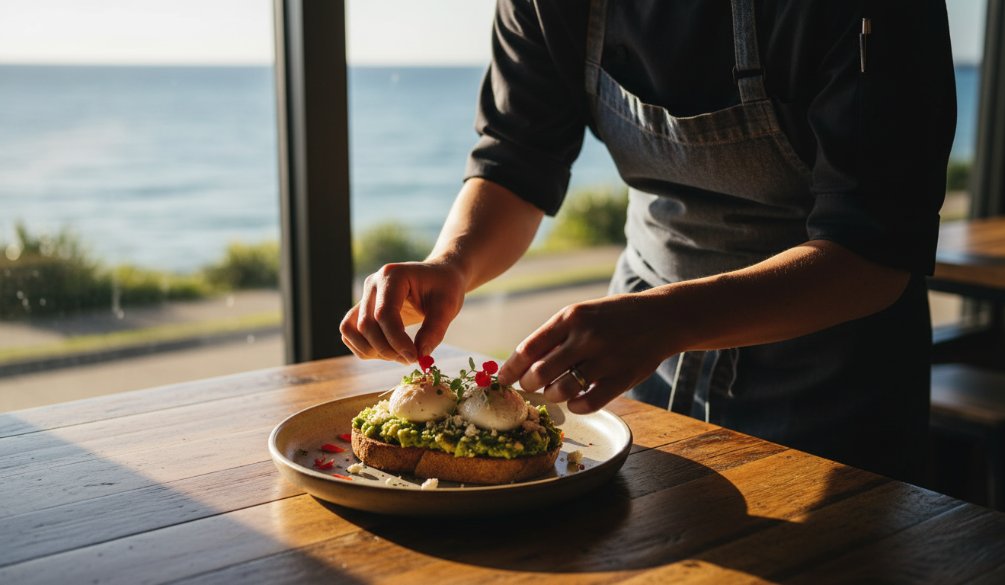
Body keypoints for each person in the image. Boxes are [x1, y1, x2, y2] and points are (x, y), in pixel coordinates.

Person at [340, 0, 956, 484]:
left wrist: (669, 320)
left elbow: (873, 251)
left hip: (830, 379)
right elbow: (517, 158)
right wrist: (452, 262)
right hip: (636, 370)